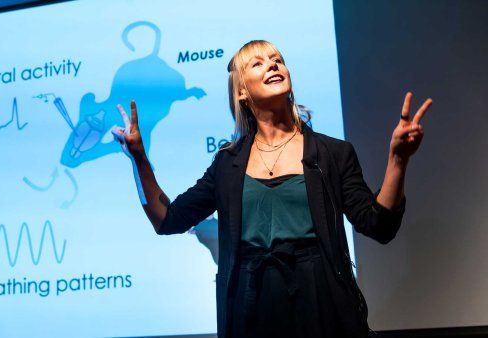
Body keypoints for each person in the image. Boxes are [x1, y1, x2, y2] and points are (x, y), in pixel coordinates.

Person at [111, 40, 432, 338]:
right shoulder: (227, 164)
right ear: (241, 92)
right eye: (258, 63)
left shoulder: (332, 154)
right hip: (252, 309)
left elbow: (379, 225)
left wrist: (398, 160)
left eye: (278, 60)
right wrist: (138, 159)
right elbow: (167, 220)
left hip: (323, 303)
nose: (273, 65)